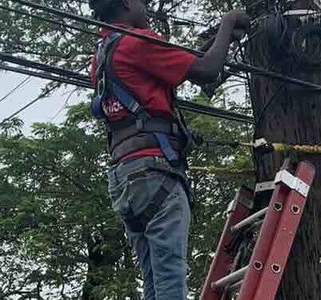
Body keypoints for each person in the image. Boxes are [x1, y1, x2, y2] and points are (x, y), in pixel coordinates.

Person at [87, 0, 251, 299]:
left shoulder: (101, 55)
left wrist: (214, 43)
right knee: (170, 276)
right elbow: (207, 70)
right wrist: (228, 22)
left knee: (155, 279)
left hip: (124, 176)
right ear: (125, 3)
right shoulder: (137, 43)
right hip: (154, 172)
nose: (146, 6)